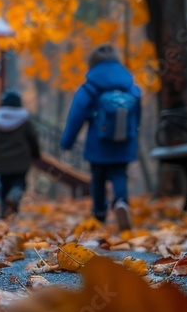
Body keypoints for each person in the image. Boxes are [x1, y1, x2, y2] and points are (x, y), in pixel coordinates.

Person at [60, 44, 141, 230]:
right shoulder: (130, 85)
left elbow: (76, 115)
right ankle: (121, 203)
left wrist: (67, 141)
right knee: (120, 174)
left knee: (98, 178)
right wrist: (133, 135)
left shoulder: (89, 87)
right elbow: (136, 115)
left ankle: (99, 213)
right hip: (124, 141)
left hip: (98, 142)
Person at [0, 90, 40, 218]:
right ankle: (15, 196)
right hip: (21, 159)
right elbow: (33, 139)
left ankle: (3, 210)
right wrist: (36, 154)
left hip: (1, 160)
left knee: (4, 185)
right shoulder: (25, 121)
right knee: (20, 182)